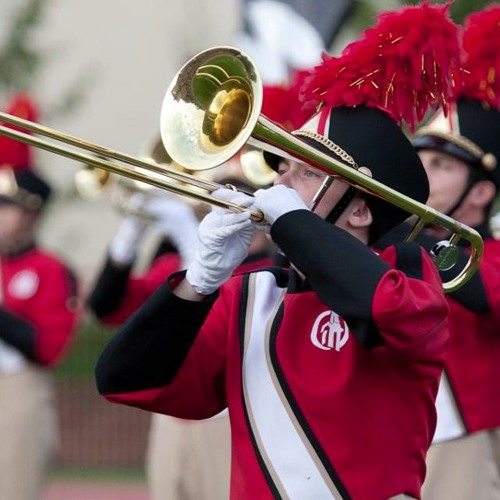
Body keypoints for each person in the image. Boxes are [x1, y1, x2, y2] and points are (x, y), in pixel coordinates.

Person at [95, 3, 459, 498]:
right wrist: (198, 282)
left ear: (360, 211)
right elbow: (122, 379)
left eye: (306, 171)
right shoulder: (250, 295)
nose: (280, 182)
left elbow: (379, 307)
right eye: (283, 167)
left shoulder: (410, 274)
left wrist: (291, 221)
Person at [87, 147, 276, 500]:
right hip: (170, 421)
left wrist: (192, 241)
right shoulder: (170, 266)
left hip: (229, 420)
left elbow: (214, 296)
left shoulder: (267, 276)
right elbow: (104, 307)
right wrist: (128, 238)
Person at [406, 6, 500, 499]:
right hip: (396, 438)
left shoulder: (493, 256)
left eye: (441, 165)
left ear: (481, 192)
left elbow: (482, 293)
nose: (425, 177)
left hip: (463, 438)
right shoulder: (398, 242)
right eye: (420, 162)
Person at [0, 94, 80, 500]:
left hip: (16, 391)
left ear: (31, 212)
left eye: (6, 207)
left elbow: (48, 347)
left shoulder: (50, 270)